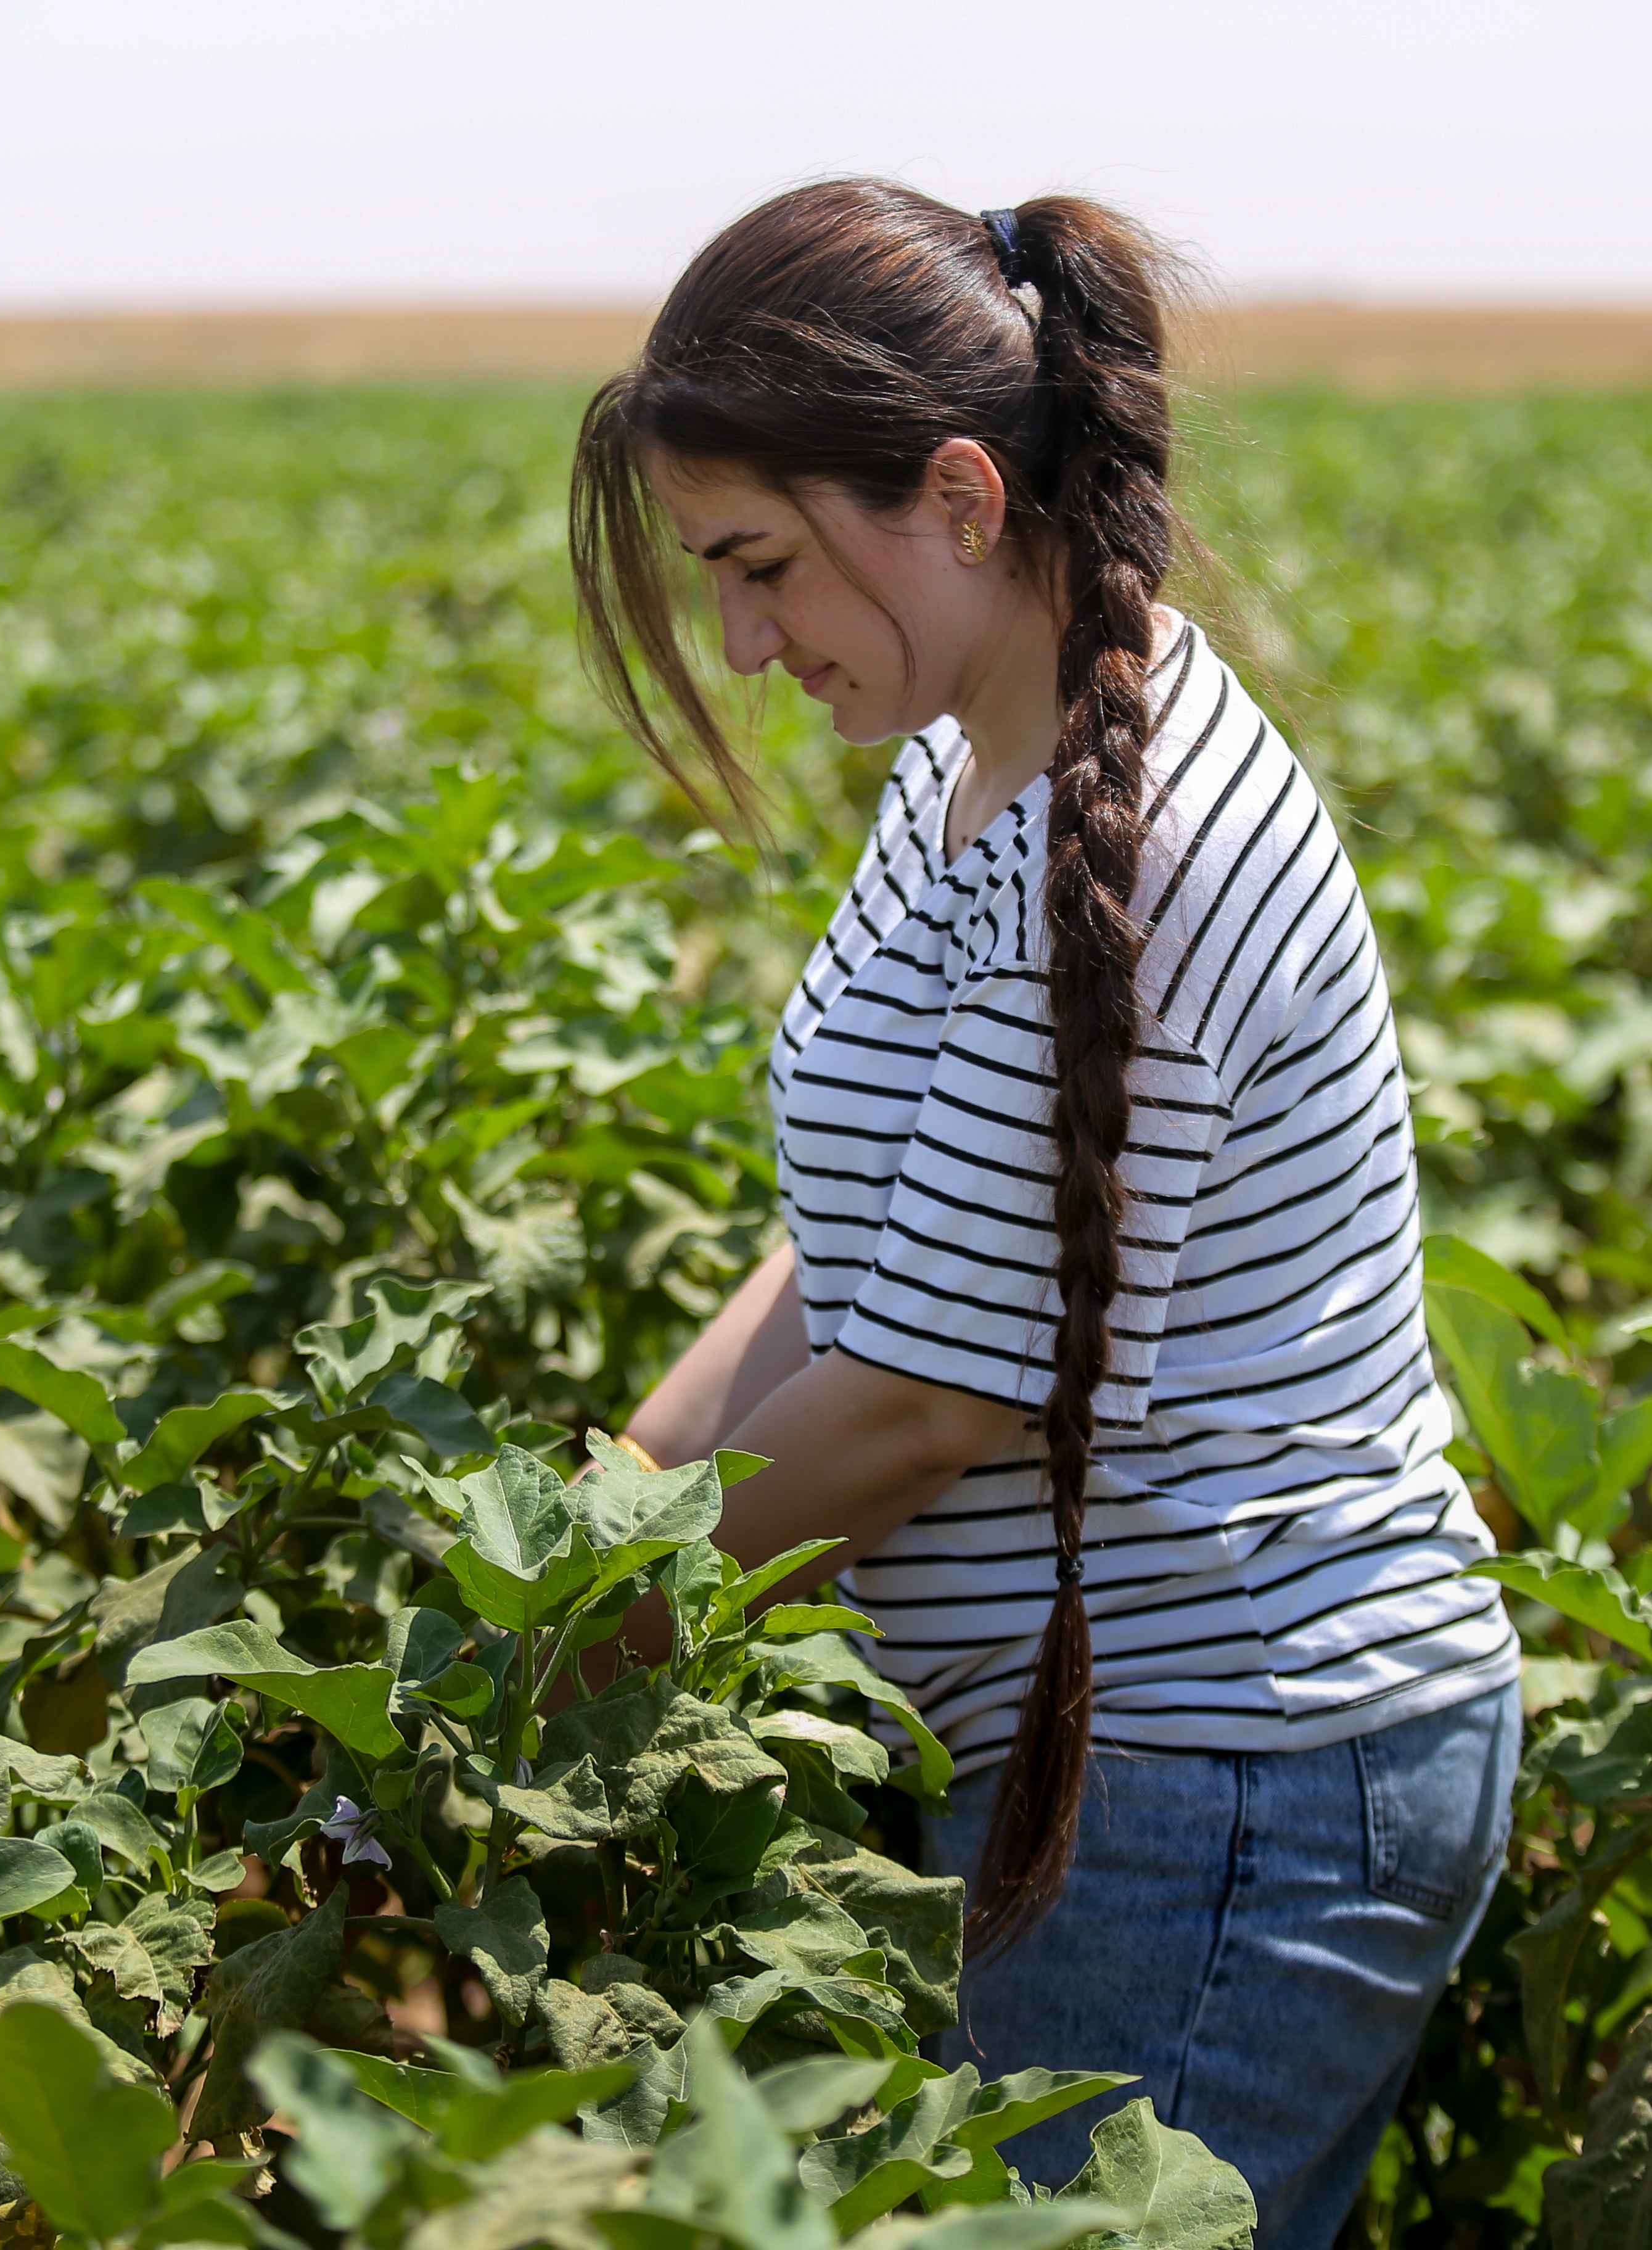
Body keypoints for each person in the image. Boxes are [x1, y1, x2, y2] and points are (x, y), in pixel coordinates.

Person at [569, 180, 1521, 2250]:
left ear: (967, 497)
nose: (741, 639)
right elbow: (879, 1250)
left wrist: (568, 1633)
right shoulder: (978, 766)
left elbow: (927, 1400)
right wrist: (625, 1488)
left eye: (758, 564)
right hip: (1122, 1780)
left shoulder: (1142, 831)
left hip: (1227, 1792)